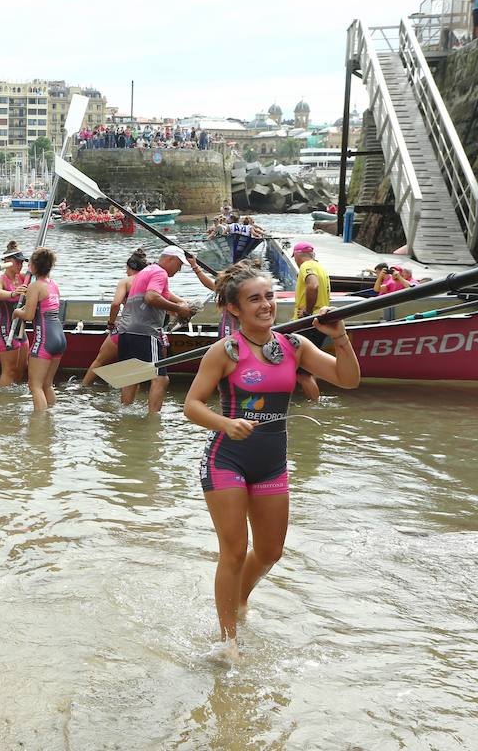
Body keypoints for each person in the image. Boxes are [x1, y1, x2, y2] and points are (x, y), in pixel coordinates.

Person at [184, 262, 359, 659]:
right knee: (234, 550)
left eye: (268, 297)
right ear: (234, 309)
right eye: (254, 300)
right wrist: (226, 423)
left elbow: (347, 379)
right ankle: (228, 641)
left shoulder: (294, 347)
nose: (265, 305)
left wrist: (341, 337)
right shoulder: (224, 351)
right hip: (226, 459)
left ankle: (240, 598)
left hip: (271, 462)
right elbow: (192, 405)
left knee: (269, 552)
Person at [116, 246, 196, 414]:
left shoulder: (146, 271)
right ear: (170, 259)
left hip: (126, 329)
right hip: (145, 331)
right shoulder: (160, 273)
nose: (179, 269)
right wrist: (179, 309)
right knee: (161, 379)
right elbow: (151, 297)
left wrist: (181, 306)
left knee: (131, 376)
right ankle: (153, 420)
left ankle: (125, 415)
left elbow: (157, 298)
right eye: (179, 265)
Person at [82, 248, 147, 386]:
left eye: (126, 269)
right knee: (136, 371)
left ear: (130, 267)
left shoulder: (126, 282)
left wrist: (111, 323)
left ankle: (84, 387)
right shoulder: (151, 282)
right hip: (146, 333)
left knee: (99, 361)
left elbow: (115, 304)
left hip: (125, 329)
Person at [14, 247, 65, 412]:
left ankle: (39, 423)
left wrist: (17, 312)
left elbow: (28, 315)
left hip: (45, 339)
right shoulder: (54, 284)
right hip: (59, 337)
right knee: (47, 384)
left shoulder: (35, 286)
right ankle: (50, 419)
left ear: (34, 266)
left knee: (34, 385)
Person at [291, 242, 331, 401]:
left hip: (309, 324)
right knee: (306, 369)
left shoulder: (306, 266)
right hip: (319, 323)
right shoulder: (320, 267)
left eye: (295, 257)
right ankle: (313, 402)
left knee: (302, 374)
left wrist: (307, 312)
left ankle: (314, 405)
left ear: (298, 255)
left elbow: (313, 286)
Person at [0, 243, 30, 387]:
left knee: (21, 369)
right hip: (6, 328)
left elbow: (40, 276)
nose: (20, 265)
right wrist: (13, 293)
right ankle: (2, 398)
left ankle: (13, 400)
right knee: (9, 371)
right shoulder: (0, 279)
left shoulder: (23, 277)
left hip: (20, 330)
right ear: (7, 261)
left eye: (22, 262)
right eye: (17, 261)